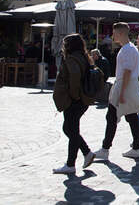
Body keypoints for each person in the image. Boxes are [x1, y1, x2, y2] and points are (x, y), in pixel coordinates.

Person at [94, 22, 139, 160]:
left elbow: (128, 72)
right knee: (131, 117)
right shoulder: (130, 48)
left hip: (124, 86)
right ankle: (136, 147)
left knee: (112, 117)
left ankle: (106, 149)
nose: (113, 36)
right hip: (127, 85)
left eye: (115, 33)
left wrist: (122, 93)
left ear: (121, 33)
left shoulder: (127, 50)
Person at [52, 34, 97, 174]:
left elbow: (75, 77)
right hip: (81, 99)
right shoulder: (84, 57)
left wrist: (74, 96)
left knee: (71, 129)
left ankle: (71, 164)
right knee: (69, 128)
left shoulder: (72, 59)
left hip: (74, 100)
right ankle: (87, 153)